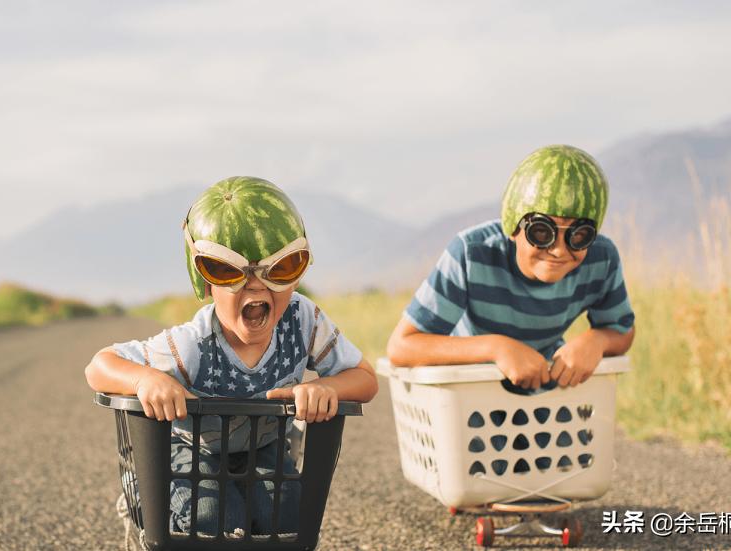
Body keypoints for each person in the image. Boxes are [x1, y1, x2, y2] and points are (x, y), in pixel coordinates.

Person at [85, 176, 378, 535]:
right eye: (228, 272)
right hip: (191, 451)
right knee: (214, 520)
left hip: (264, 447)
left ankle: (242, 500)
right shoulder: (193, 345)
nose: (257, 285)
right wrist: (147, 379)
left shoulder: (303, 322)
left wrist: (328, 388)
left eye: (280, 269)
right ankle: (145, 494)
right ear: (204, 281)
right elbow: (99, 365)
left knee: (288, 520)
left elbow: (365, 378)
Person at [387, 145, 635, 389]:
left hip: (545, 397)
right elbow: (402, 346)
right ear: (512, 226)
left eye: (579, 235)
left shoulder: (601, 258)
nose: (559, 250)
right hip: (468, 393)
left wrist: (596, 341)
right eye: (541, 232)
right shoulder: (472, 254)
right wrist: (496, 348)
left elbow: (622, 331)